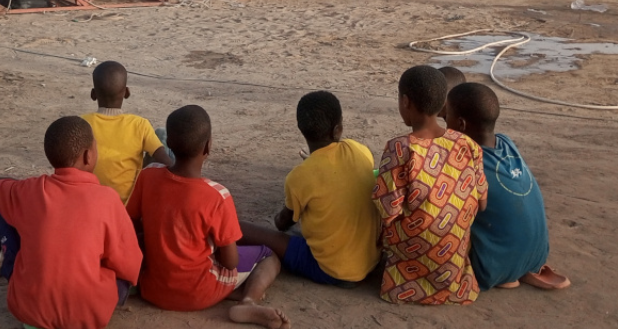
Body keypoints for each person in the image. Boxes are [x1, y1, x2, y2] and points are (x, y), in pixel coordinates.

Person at [0, 117, 142, 329]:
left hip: (29, 312)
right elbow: (129, 264)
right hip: (87, 315)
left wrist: (12, 185)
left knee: (4, 204)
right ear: (88, 156)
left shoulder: (30, 191)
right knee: (116, 265)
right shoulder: (108, 199)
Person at [126, 105, 289, 328]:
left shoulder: (147, 176)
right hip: (198, 293)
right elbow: (229, 262)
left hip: (153, 290)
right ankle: (248, 300)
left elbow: (131, 225)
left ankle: (234, 292)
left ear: (169, 144)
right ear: (208, 146)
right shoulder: (217, 196)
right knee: (269, 256)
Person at [239, 91, 380, 288]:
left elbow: (282, 223)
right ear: (338, 129)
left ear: (301, 128)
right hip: (370, 262)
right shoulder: (359, 150)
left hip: (331, 270)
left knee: (246, 230)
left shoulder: (300, 176)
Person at [373, 65, 487, 305]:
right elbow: (482, 202)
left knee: (376, 205)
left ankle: (405, 283)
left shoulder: (399, 148)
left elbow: (389, 212)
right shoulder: (468, 144)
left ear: (405, 102)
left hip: (414, 247)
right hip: (452, 255)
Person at [444, 82, 570, 292]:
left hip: (488, 269)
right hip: (537, 256)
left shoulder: (464, 162)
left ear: (460, 125)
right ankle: (517, 269)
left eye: (445, 116)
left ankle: (502, 272)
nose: (443, 120)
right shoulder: (506, 142)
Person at [80, 61, 173, 203]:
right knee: (163, 135)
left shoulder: (82, 124)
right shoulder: (139, 124)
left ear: (93, 94)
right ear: (127, 93)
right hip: (129, 208)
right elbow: (164, 159)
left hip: (92, 204)